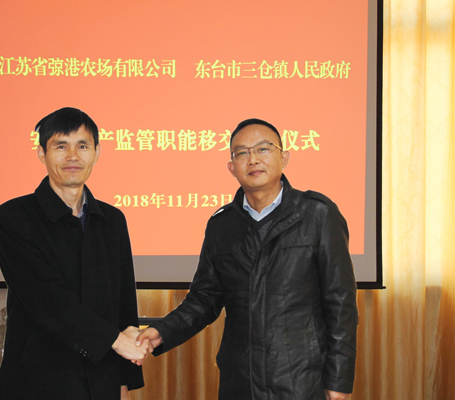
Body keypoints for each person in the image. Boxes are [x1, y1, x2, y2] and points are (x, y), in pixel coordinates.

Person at [136, 118, 358, 400]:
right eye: (242, 153)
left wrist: (338, 380)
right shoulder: (221, 226)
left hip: (302, 380)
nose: (253, 159)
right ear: (232, 167)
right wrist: (161, 331)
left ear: (284, 158)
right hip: (239, 380)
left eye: (263, 149)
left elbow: (341, 305)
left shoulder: (318, 215)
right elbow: (204, 299)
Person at [0, 107, 149, 400]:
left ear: (97, 152)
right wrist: (116, 341)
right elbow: (47, 299)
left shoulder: (112, 220)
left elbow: (124, 304)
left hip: (101, 382)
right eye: (61, 146)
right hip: (37, 383)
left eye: (83, 146)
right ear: (42, 153)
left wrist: (124, 383)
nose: (73, 156)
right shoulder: (12, 217)